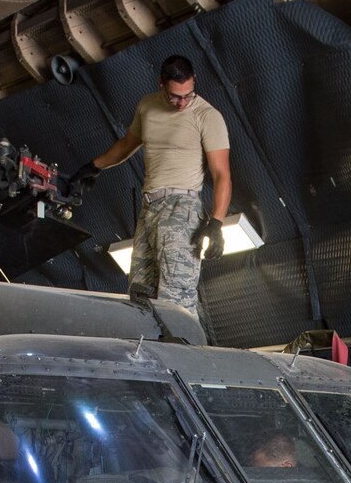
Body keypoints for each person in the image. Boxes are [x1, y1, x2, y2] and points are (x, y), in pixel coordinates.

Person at [75, 55, 233, 312]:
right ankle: (148, 350)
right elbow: (127, 145)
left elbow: (221, 173)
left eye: (188, 95)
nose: (182, 102)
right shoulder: (147, 107)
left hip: (182, 208)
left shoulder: (207, 115)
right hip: (149, 209)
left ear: (194, 83)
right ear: (161, 83)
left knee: (176, 296)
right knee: (139, 294)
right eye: (175, 96)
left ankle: (187, 349)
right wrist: (93, 167)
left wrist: (216, 222)